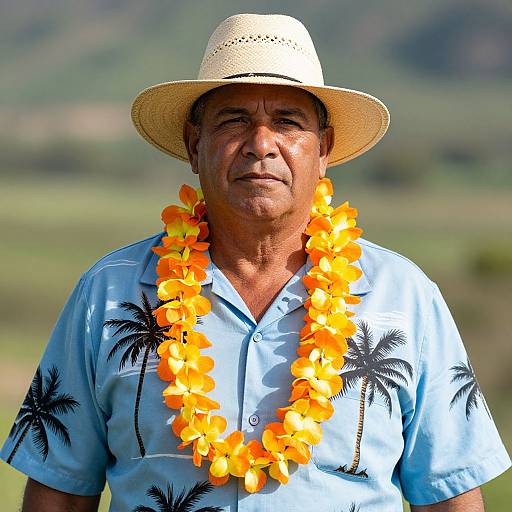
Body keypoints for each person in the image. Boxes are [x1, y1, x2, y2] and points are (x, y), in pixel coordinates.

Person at [1, 13, 510, 512]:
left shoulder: (405, 297)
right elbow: (60, 494)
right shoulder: (109, 293)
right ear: (194, 145)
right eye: (234, 120)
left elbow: (450, 498)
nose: (261, 144)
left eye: (287, 122)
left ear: (323, 149)